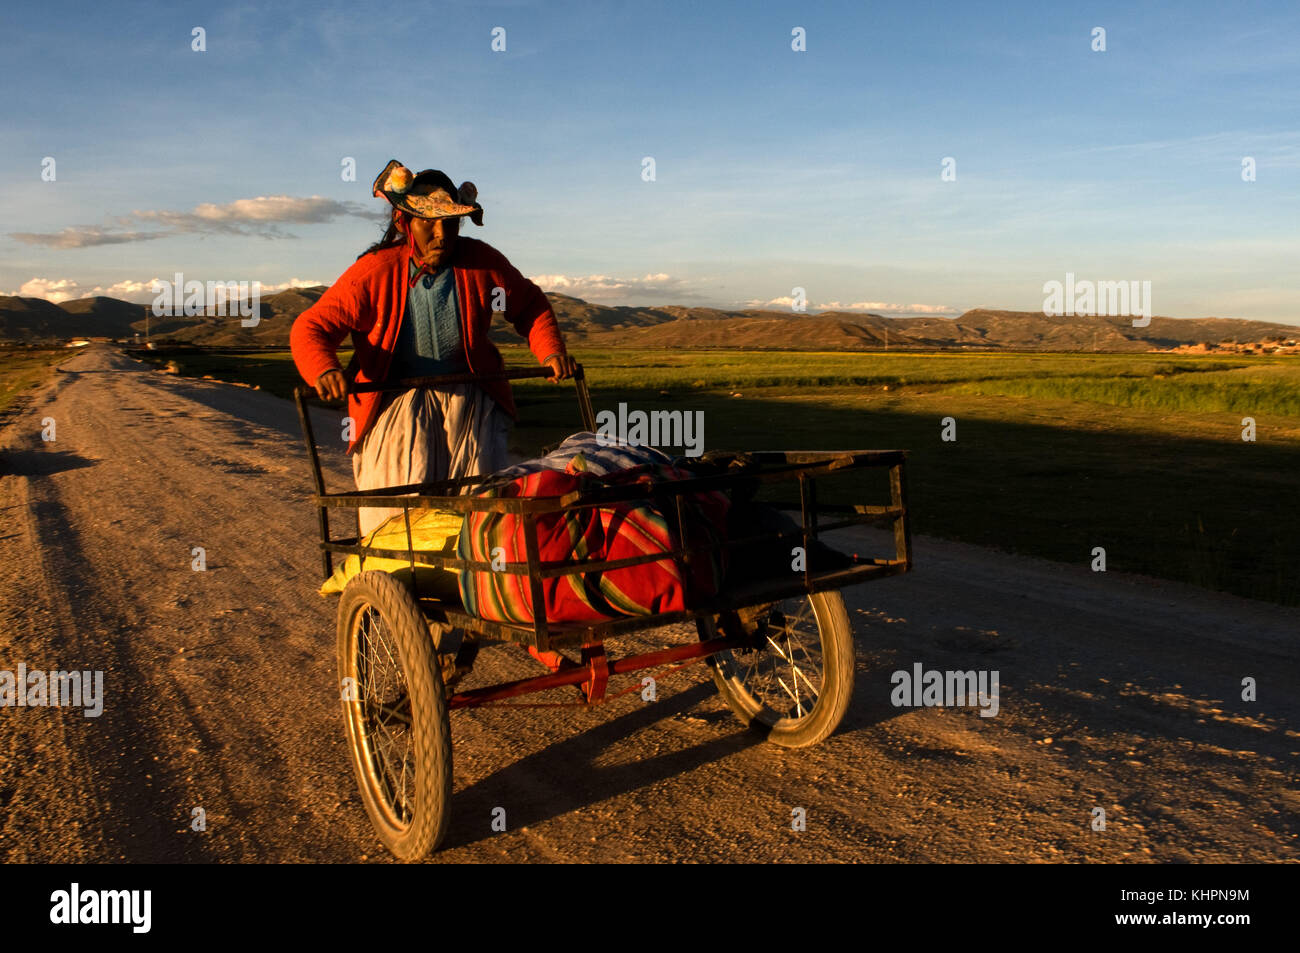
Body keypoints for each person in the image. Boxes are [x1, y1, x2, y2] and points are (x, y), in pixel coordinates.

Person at [291, 159, 577, 534]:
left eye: (450, 223)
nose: (441, 233)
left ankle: (477, 576)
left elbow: (528, 305)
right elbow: (311, 326)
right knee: (399, 514)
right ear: (403, 223)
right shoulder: (374, 273)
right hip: (395, 403)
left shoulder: (482, 265)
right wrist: (323, 368)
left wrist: (551, 351)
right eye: (428, 222)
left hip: (470, 402)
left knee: (481, 509)